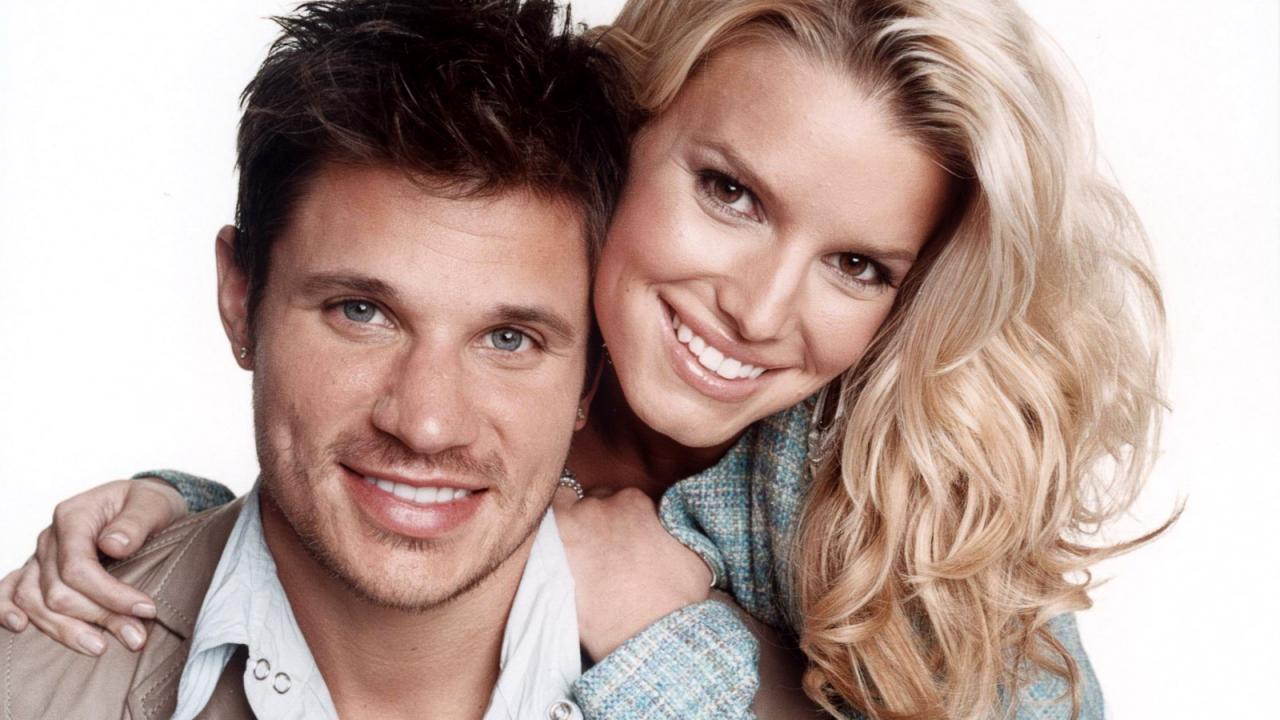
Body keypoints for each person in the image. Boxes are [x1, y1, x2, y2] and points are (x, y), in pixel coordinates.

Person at [1, 0, 1168, 718]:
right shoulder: (509, 295)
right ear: (623, 134)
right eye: (730, 193)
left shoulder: (903, 508)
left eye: (857, 265)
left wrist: (679, 644)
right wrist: (174, 523)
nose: (757, 311)